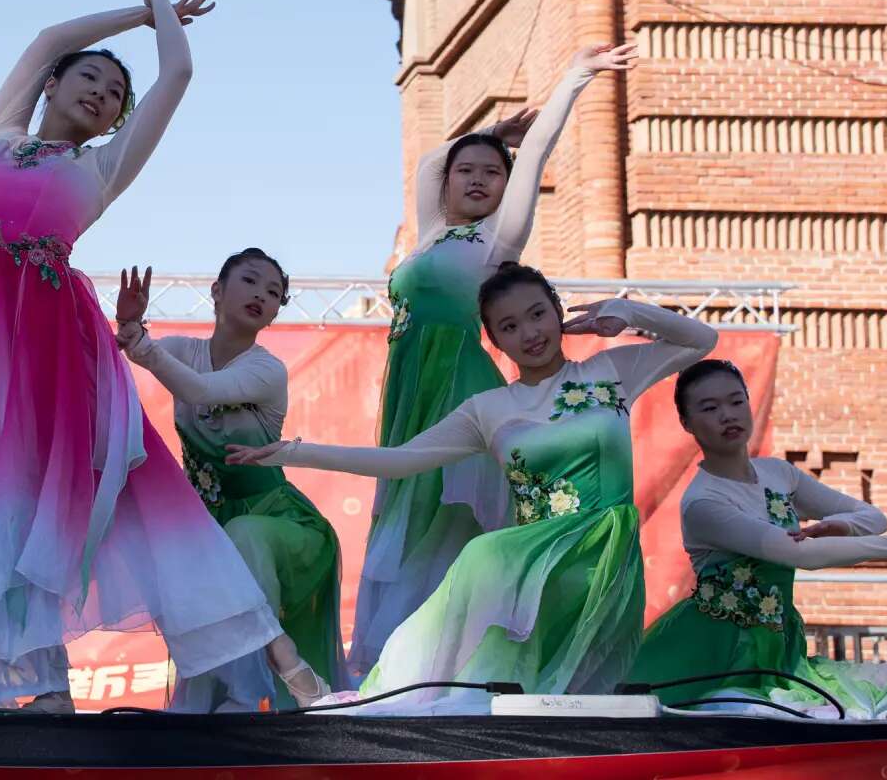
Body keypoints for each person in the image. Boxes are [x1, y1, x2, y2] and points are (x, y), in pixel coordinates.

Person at [0, 0, 282, 712]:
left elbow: (178, 75)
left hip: (52, 349)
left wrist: (163, 12)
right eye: (89, 79)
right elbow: (47, 38)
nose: (102, 94)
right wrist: (131, 16)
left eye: (115, 95)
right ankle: (6, 681)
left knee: (67, 496)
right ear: (54, 87)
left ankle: (234, 664)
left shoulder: (99, 169)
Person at [230, 264, 717, 710]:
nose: (529, 333)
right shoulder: (489, 410)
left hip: (603, 563)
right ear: (494, 341)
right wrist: (294, 451)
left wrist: (627, 311)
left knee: (566, 692)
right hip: (531, 570)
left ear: (557, 312)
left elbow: (702, 339)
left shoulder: (611, 373)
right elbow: (397, 462)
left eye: (537, 315)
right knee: (495, 648)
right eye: (509, 326)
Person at [353, 44, 636, 676]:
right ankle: (400, 663)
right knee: (409, 513)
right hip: (409, 394)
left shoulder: (497, 240)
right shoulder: (431, 234)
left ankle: (452, 663)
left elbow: (532, 154)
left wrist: (573, 78)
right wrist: (485, 133)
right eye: (468, 171)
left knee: (449, 522)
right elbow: (430, 161)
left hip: (458, 385)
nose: (478, 179)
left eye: (492, 173)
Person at [627, 359, 887, 718]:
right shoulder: (704, 503)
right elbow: (803, 556)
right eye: (709, 408)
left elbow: (873, 518)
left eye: (736, 401)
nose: (727, 415)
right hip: (716, 654)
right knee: (772, 718)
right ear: (687, 423)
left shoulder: (777, 474)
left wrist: (841, 525)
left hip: (780, 651)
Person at [115, 252, 345, 710]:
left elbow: (200, 390)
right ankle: (273, 667)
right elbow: (124, 353)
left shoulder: (266, 370)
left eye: (274, 292)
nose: (262, 294)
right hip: (207, 526)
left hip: (278, 522)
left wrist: (139, 341)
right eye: (250, 281)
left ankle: (256, 687)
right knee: (198, 555)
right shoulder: (183, 351)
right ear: (217, 291)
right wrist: (126, 326)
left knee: (241, 539)